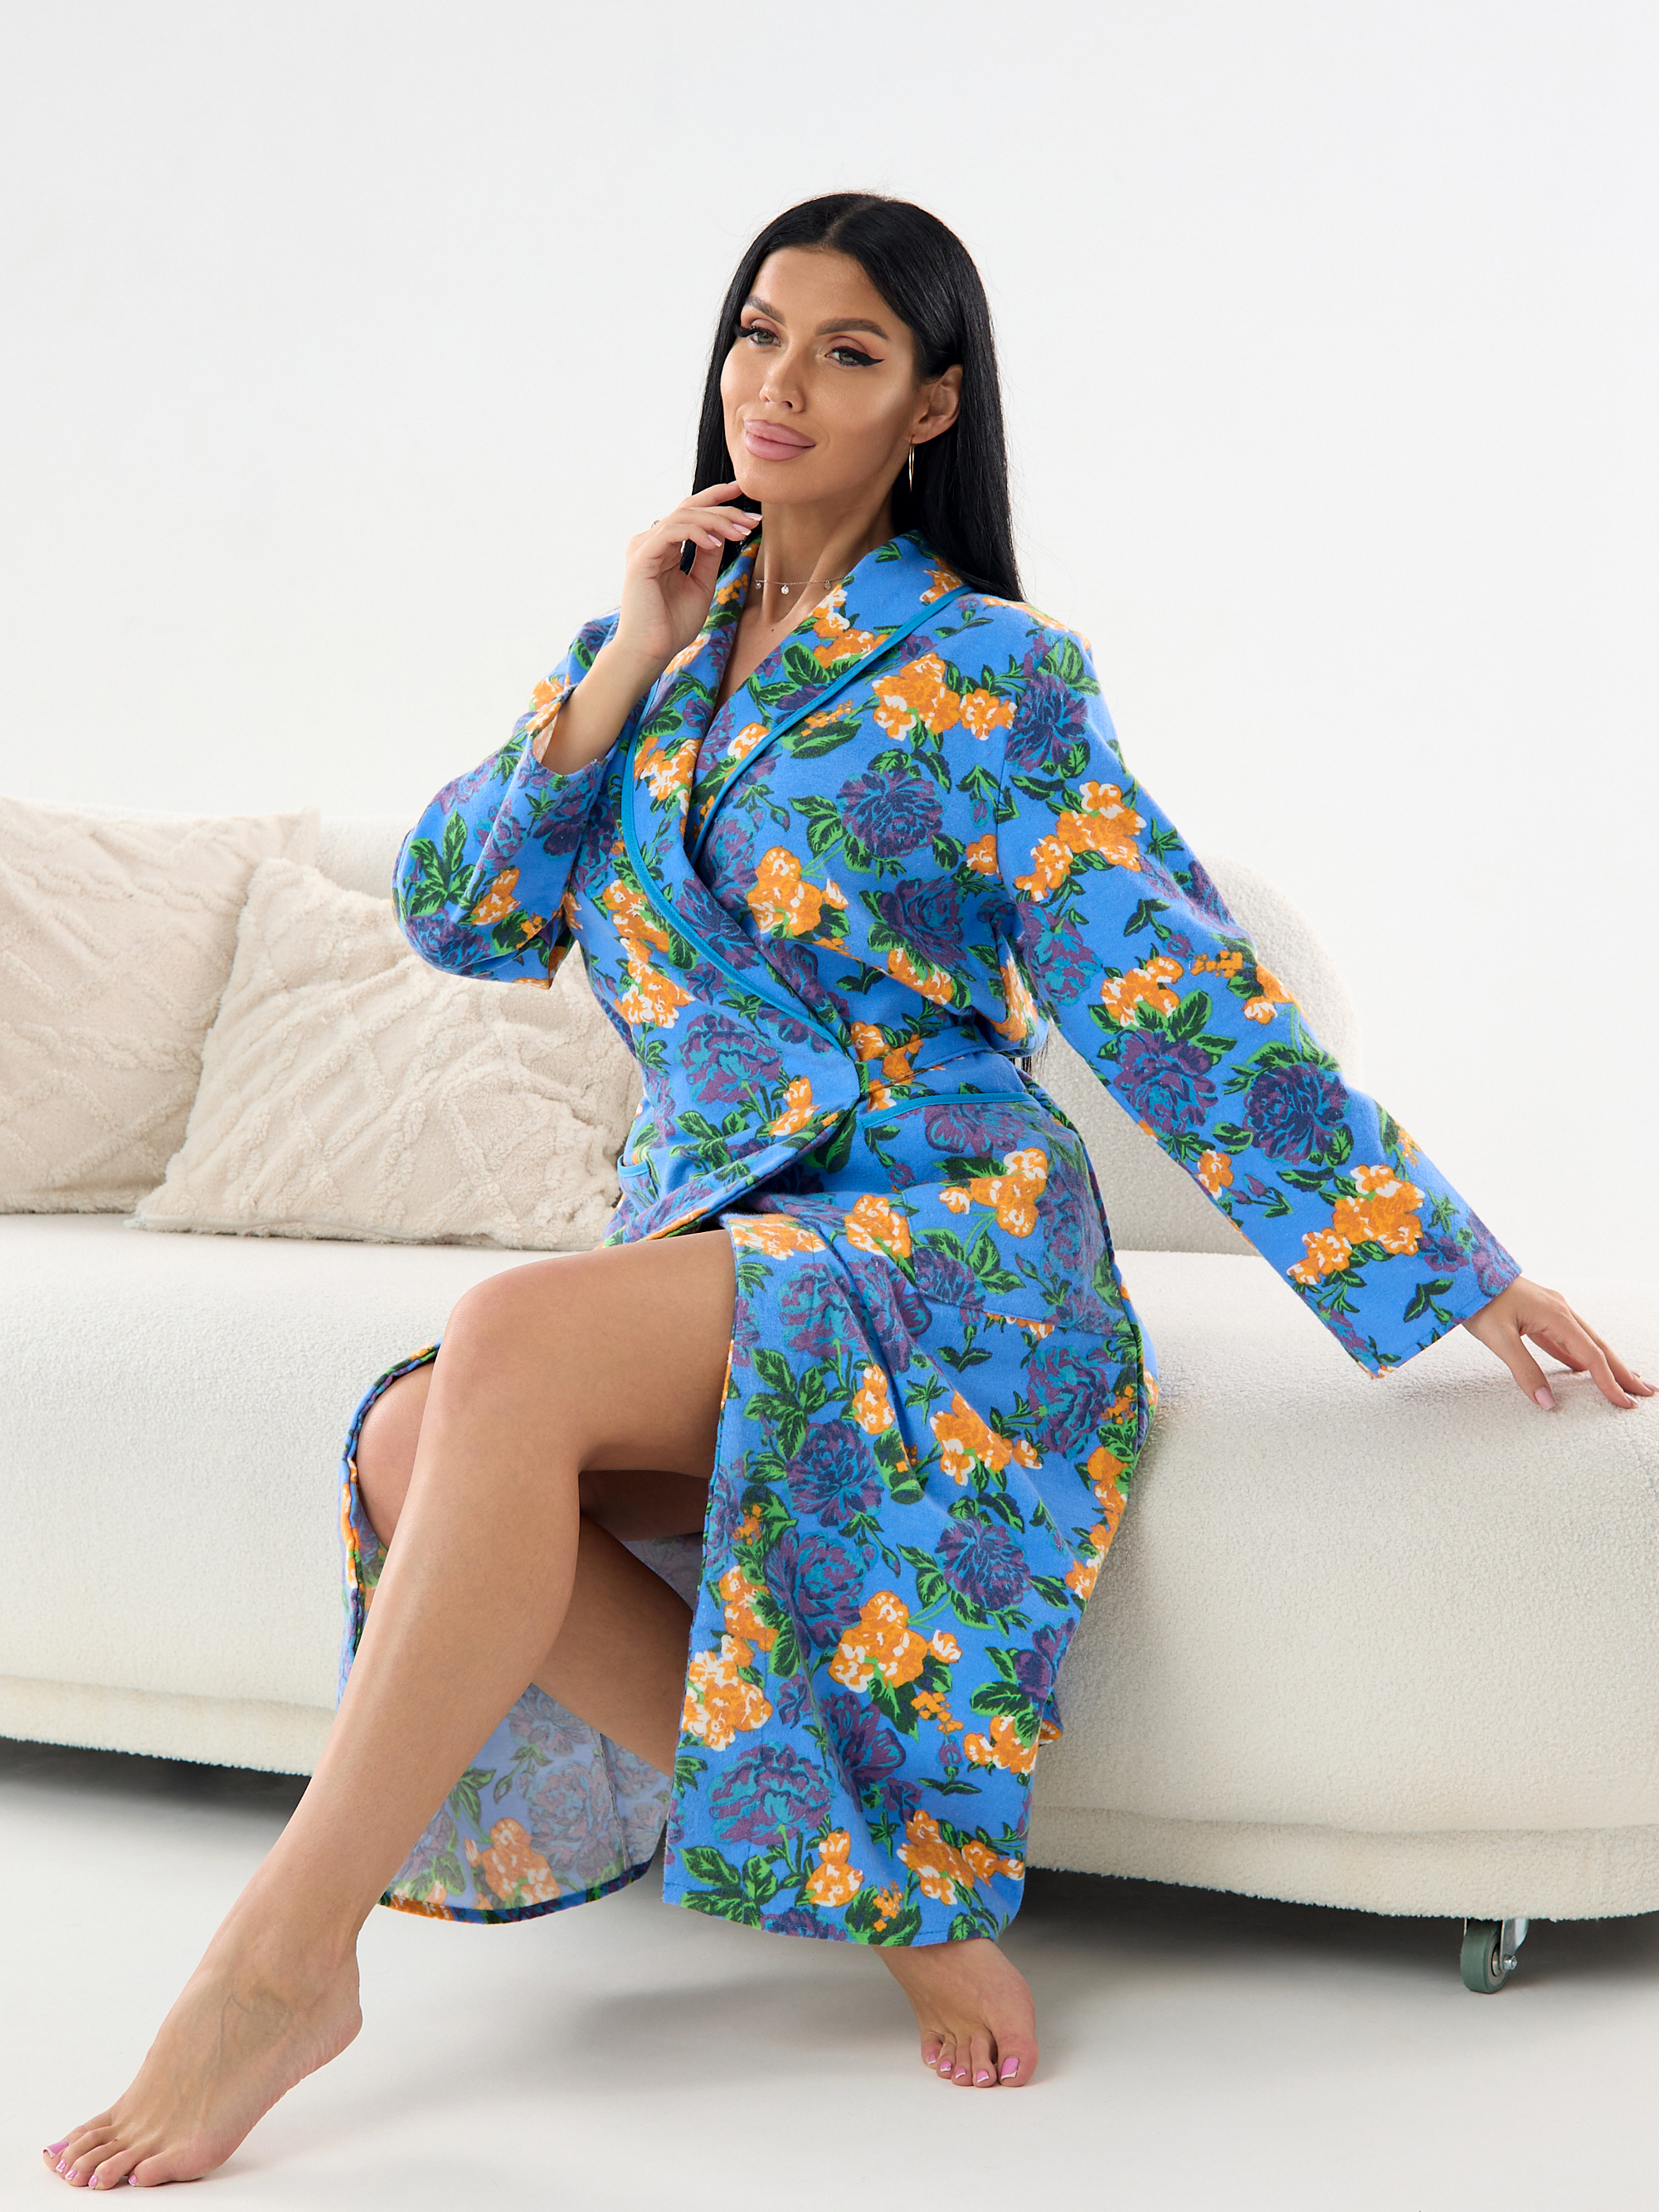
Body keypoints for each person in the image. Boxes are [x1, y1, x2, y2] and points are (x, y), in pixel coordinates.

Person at [42, 191, 1649, 2193]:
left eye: (847, 351)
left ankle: (279, 1961)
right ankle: (902, 1900)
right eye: (757, 333)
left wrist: (1456, 1264)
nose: (779, 383)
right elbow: (461, 915)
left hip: (950, 1241)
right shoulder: (650, 653)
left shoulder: (992, 673)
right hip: (728, 1235)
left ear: (931, 405)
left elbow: (1171, 987)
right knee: (403, 1445)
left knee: (501, 1333)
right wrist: (625, 657)